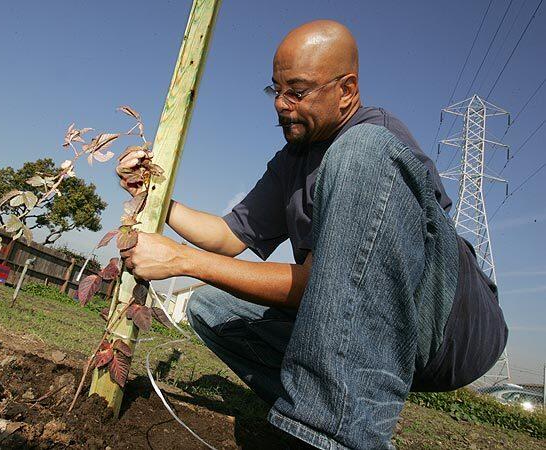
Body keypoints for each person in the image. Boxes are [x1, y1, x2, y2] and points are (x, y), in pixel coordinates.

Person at [117, 20, 508, 450]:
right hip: (373, 337)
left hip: (449, 327)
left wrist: (182, 261)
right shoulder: (292, 160)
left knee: (363, 150)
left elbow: (324, 283)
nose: (281, 105)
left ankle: (331, 436)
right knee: (212, 308)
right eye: (275, 91)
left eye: (297, 92)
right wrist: (158, 197)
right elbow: (228, 236)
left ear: (347, 91)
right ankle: (335, 411)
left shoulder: (374, 146)